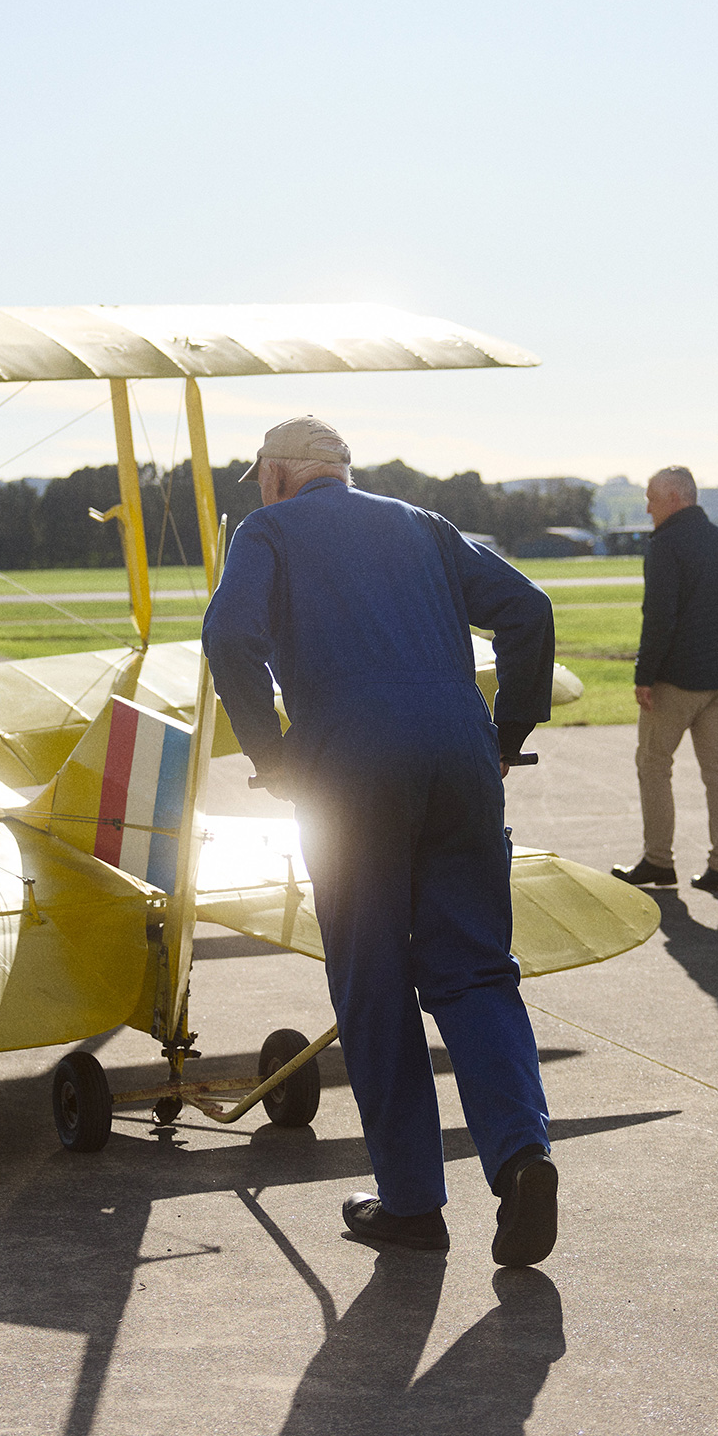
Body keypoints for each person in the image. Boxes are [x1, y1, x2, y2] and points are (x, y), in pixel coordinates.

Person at [202, 416, 561, 1266]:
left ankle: (411, 1203)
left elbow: (227, 636)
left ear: (283, 476)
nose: (258, 490)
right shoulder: (421, 523)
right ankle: (521, 1156)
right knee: (475, 969)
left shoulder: (270, 530)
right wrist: (507, 733)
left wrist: (273, 755)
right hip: (462, 760)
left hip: (351, 769)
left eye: (260, 476)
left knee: (372, 975)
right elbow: (528, 610)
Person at [611, 465, 718, 895]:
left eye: (652, 498)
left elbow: (660, 617)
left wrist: (644, 675)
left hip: (679, 678)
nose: (647, 507)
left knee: (653, 766)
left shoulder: (666, 545)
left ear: (676, 498)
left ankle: (658, 861)